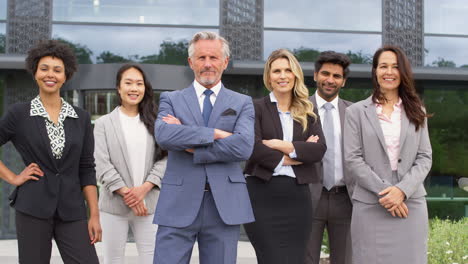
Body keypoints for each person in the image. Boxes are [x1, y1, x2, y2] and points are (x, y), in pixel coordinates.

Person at [152, 31, 255, 264]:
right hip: (177, 202)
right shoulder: (171, 99)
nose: (207, 64)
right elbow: (164, 135)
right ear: (191, 62)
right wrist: (215, 134)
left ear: (225, 62)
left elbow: (243, 147)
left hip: (223, 206)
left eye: (214, 57)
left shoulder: (242, 102)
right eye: (201, 58)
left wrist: (190, 144)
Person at [0, 40, 100, 263]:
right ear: (35, 72)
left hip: (72, 209)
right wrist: (14, 178)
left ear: (66, 75)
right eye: (44, 68)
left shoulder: (81, 117)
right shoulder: (19, 113)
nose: (50, 74)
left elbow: (86, 169)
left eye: (57, 70)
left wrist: (94, 214)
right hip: (32, 206)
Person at [343, 45, 432, 264]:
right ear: (375, 71)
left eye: (395, 67)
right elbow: (353, 158)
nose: (389, 72)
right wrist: (387, 193)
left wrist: (402, 191)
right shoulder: (355, 112)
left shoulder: (417, 111)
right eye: (383, 66)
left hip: (410, 204)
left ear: (403, 72)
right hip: (370, 204)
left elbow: (424, 157)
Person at [243, 48, 326, 264]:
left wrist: (282, 145)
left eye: (288, 70)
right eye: (277, 71)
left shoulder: (308, 110)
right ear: (268, 77)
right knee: (269, 258)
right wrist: (295, 155)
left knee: (296, 259)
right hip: (261, 195)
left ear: (296, 75)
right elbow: (252, 147)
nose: (282, 76)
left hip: (298, 197)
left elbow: (318, 150)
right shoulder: (255, 108)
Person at [94, 64, 167, 264]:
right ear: (118, 88)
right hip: (113, 206)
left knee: (152, 259)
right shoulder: (103, 124)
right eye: (128, 83)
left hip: (149, 204)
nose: (134, 88)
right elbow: (102, 164)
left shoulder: (156, 121)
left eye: (139, 84)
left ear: (145, 88)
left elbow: (165, 159)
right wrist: (128, 194)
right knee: (113, 260)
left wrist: (143, 190)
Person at [306, 51, 353, 264]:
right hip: (307, 196)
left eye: (336, 76)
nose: (330, 80)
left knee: (345, 260)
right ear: (315, 75)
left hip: (345, 199)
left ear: (343, 81)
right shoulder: (299, 109)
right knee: (305, 259)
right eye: (325, 73)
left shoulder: (354, 112)